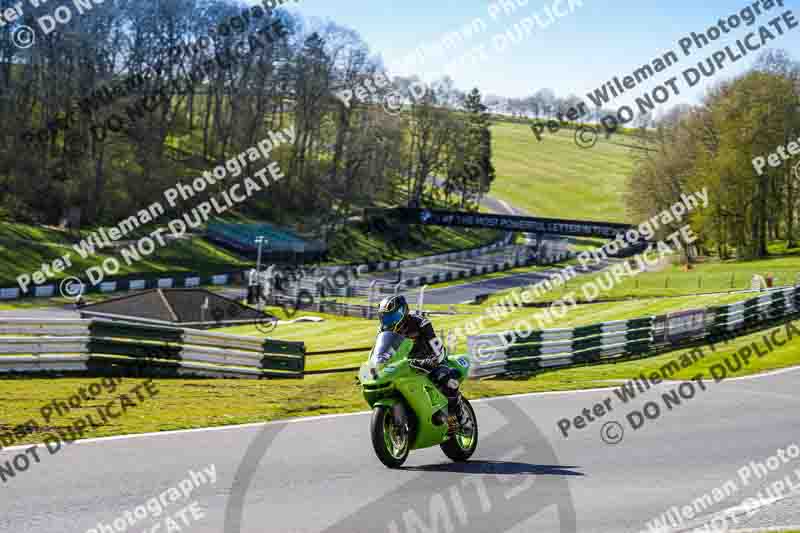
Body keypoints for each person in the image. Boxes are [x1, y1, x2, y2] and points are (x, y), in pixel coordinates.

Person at [376, 295, 470, 432]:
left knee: (448, 381)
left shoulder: (419, 322)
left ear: (402, 312)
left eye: (392, 317)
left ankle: (461, 417)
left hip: (429, 359)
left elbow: (437, 347)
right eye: (384, 317)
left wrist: (431, 360)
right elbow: (381, 354)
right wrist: (372, 370)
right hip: (405, 364)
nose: (388, 321)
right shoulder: (383, 330)